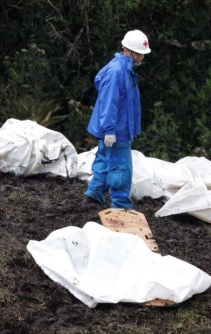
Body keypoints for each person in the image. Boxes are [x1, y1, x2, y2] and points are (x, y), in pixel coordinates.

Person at [84, 30, 151, 209]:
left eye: (143, 54)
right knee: (121, 167)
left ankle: (95, 192)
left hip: (114, 128)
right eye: (139, 54)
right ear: (127, 50)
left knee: (105, 160)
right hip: (117, 130)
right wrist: (109, 130)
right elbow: (109, 103)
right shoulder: (117, 72)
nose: (141, 58)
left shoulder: (124, 69)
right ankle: (120, 205)